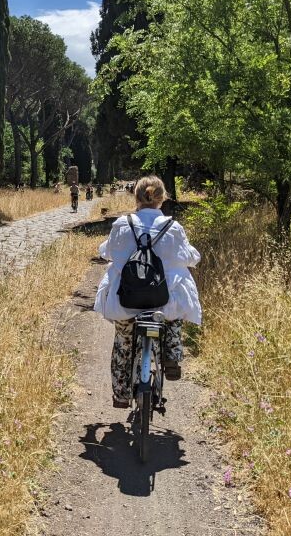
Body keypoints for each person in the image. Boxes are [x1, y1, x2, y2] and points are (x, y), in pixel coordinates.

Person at [93, 175, 201, 408]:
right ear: (162, 198)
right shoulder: (173, 228)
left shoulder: (122, 224)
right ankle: (171, 354)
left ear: (136, 197)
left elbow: (107, 252)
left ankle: (122, 395)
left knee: (123, 342)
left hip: (127, 302)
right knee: (173, 316)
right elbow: (190, 257)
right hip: (163, 302)